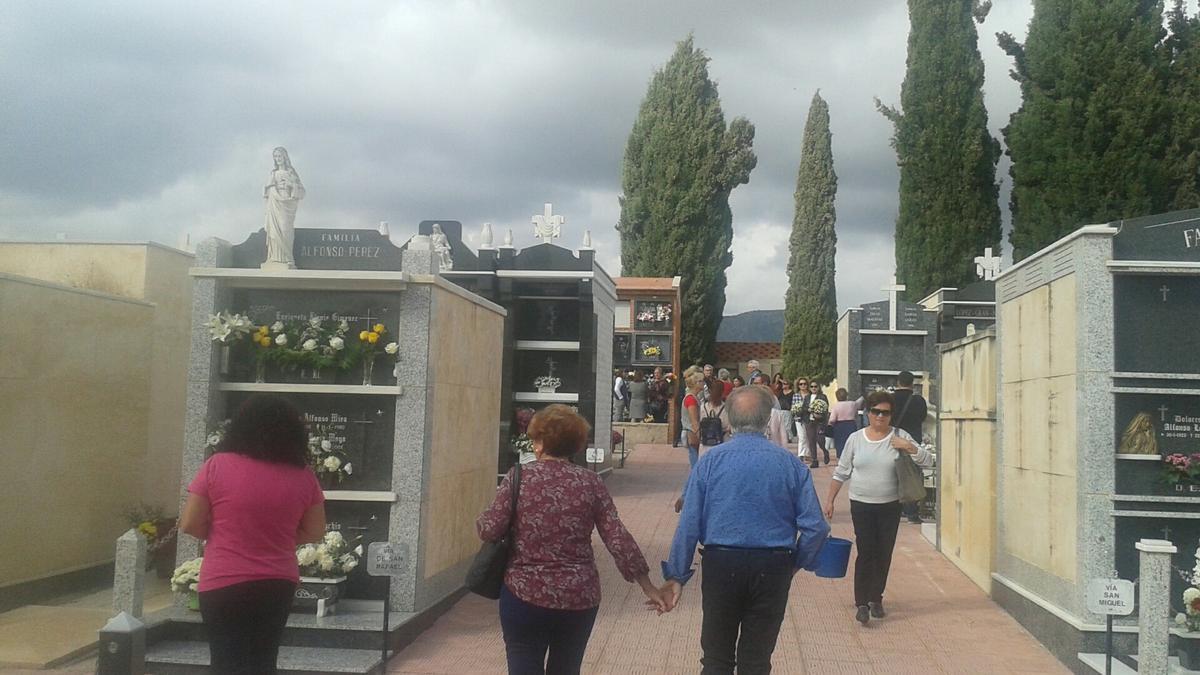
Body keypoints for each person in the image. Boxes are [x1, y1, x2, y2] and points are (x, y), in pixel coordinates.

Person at [477, 405, 670, 673]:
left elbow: (490, 530)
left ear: (541, 443)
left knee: (523, 661)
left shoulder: (519, 478)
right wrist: (648, 586)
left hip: (524, 593)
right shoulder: (590, 482)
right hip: (579, 597)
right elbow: (617, 537)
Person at [661, 385, 830, 673]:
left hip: (722, 562)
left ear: (729, 418)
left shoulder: (710, 461)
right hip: (773, 563)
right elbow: (816, 527)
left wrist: (677, 575)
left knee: (716, 658)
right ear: (768, 419)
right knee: (756, 660)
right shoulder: (790, 464)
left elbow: (689, 523)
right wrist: (796, 563)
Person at [179, 395, 327, 674]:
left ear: (240, 426)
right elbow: (316, 530)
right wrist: (276, 537)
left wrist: (226, 533)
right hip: (276, 582)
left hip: (223, 580)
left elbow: (188, 523)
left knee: (225, 661)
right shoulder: (303, 476)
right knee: (262, 662)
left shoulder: (217, 465)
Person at [823, 390, 934, 625]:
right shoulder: (856, 439)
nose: (881, 417)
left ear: (891, 415)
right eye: (876, 412)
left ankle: (876, 598)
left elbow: (927, 460)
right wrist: (830, 500)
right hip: (861, 504)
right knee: (866, 551)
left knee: (884, 553)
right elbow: (842, 471)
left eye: (886, 413)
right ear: (868, 413)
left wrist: (909, 446)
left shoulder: (899, 436)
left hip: (890, 505)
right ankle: (861, 602)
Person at [891, 371, 929, 524]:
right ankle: (912, 512)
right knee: (912, 476)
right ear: (912, 383)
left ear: (897, 382)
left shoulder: (890, 399)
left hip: (892, 440)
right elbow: (923, 416)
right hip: (912, 442)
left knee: (893, 475)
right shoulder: (918, 400)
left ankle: (895, 509)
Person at [262, 147, 305, 269]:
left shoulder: (291, 173)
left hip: (287, 204)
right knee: (274, 232)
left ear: (285, 157)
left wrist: (291, 185)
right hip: (274, 203)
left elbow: (302, 192)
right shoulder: (273, 174)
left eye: (280, 156)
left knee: (286, 230)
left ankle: (287, 258)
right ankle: (275, 258)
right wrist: (272, 188)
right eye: (275, 156)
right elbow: (266, 191)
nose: (278, 159)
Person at [673, 370, 706, 513]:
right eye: (701, 381)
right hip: (692, 434)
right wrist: (701, 436)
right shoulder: (691, 399)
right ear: (695, 383)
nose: (703, 383)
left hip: (688, 433)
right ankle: (685, 497)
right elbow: (694, 422)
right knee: (696, 468)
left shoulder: (692, 397)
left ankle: (687, 497)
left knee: (695, 468)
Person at [827, 388, 864, 459]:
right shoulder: (852, 404)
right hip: (851, 424)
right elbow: (859, 402)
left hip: (839, 426)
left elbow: (832, 419)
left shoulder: (836, 406)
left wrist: (829, 424)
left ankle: (841, 459)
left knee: (840, 444)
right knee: (851, 443)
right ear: (846, 395)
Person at [698, 376, 731, 453]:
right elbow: (729, 427)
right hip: (722, 441)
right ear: (722, 391)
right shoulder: (727, 408)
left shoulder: (703, 407)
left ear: (709, 391)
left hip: (706, 443)